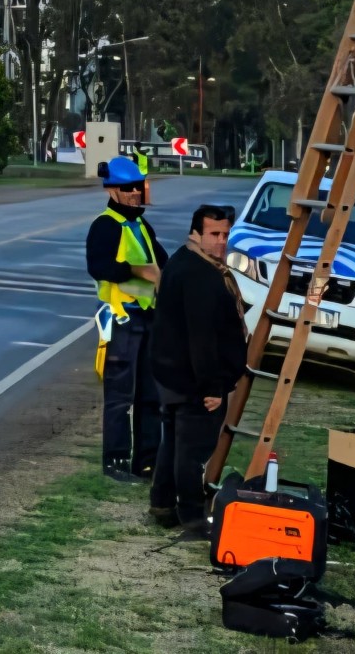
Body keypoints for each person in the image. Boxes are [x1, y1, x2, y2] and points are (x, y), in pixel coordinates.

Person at [149, 203, 249, 535]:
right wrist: (212, 387)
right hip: (193, 379)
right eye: (214, 234)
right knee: (191, 451)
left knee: (175, 444)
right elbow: (202, 337)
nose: (221, 242)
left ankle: (162, 504)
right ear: (197, 233)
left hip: (172, 374)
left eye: (225, 234)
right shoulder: (201, 274)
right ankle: (191, 517)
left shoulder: (184, 259)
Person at [86, 157, 168, 483]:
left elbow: (162, 262)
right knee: (119, 397)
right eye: (129, 188)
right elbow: (99, 266)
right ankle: (116, 462)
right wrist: (138, 270)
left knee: (151, 396)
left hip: (149, 319)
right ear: (112, 190)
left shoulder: (141, 226)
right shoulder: (105, 226)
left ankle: (147, 463)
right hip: (122, 321)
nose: (136, 193)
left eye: (139, 186)